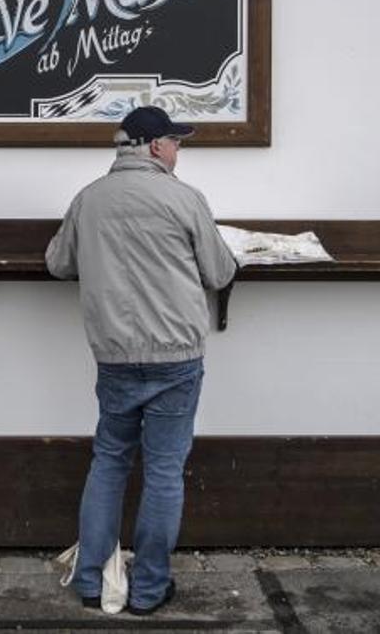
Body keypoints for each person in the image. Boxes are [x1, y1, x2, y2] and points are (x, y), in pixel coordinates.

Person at [46, 105, 237, 616]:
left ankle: (91, 582)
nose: (178, 151)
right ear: (154, 146)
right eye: (176, 143)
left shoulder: (88, 200)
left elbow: (57, 263)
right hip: (176, 356)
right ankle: (149, 590)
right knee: (164, 472)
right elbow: (219, 272)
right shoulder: (184, 198)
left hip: (114, 355)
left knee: (108, 461)